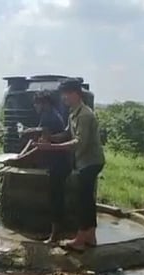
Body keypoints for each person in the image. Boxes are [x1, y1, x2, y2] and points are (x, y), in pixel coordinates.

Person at [34, 79, 105, 251]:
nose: (63, 98)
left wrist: (51, 147)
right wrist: (50, 138)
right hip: (84, 161)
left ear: (75, 93)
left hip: (90, 161)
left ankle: (80, 239)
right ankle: (91, 237)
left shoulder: (85, 115)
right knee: (87, 200)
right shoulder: (73, 112)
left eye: (65, 94)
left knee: (82, 201)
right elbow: (67, 133)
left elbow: (79, 142)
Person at [31, 91, 74, 244]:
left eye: (37, 103)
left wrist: (23, 157)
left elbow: (45, 140)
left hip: (58, 163)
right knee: (56, 196)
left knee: (56, 198)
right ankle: (56, 232)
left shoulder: (48, 117)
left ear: (45, 103)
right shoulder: (52, 114)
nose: (35, 106)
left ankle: (55, 235)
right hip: (59, 161)